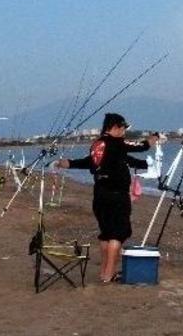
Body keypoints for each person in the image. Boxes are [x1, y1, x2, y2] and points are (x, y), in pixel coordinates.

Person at [57, 113, 157, 283]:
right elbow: (139, 146)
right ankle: (108, 275)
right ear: (115, 127)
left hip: (100, 196)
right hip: (116, 196)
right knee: (118, 234)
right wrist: (151, 141)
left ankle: (104, 273)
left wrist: (68, 163)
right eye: (123, 128)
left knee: (106, 234)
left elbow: (90, 162)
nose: (124, 131)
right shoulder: (116, 142)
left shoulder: (98, 144)